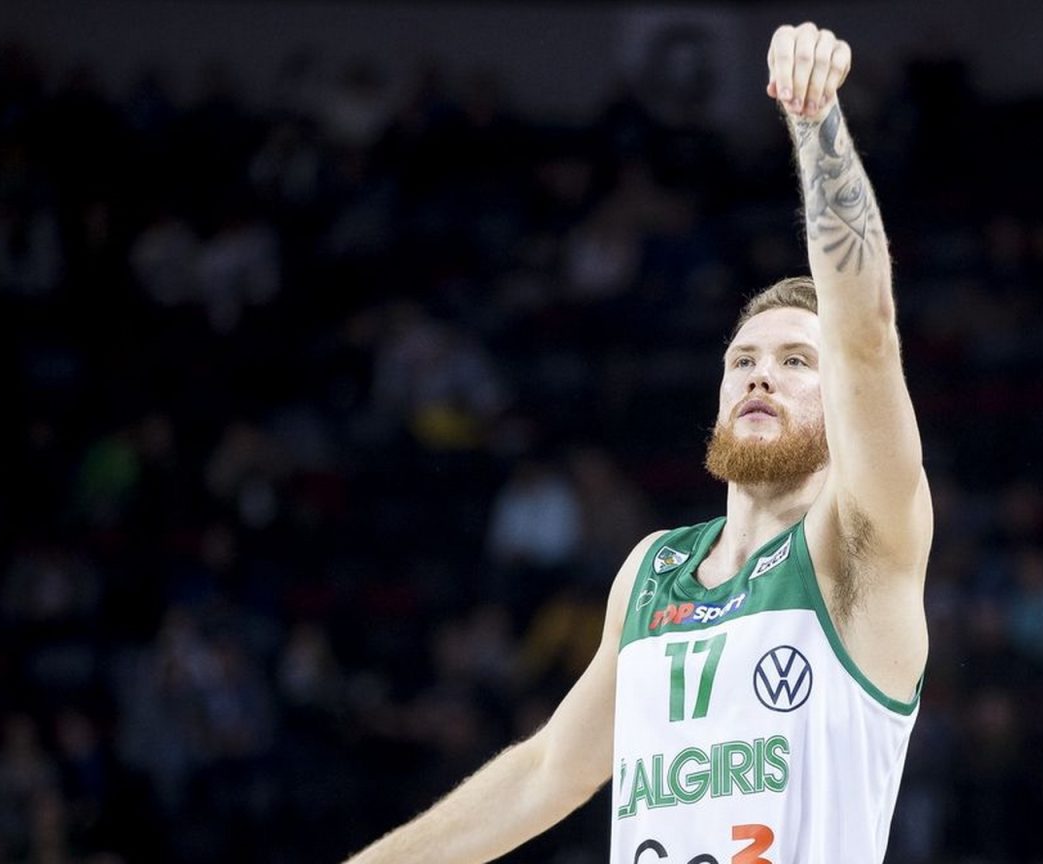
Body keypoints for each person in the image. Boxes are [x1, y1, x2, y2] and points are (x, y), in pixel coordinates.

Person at [343, 22, 932, 864]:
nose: (761, 377)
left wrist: (814, 121)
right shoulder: (654, 570)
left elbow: (866, 335)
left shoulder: (859, 545)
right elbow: (546, 773)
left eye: (797, 361)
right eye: (743, 361)